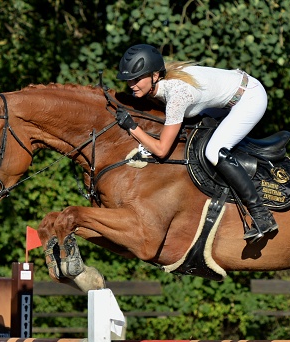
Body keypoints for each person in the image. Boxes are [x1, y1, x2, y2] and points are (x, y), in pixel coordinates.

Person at [114, 43, 277, 241]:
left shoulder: (177, 95)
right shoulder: (164, 82)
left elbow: (162, 150)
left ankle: (262, 215)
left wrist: (132, 127)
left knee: (213, 151)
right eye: (128, 79)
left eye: (137, 79)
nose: (132, 84)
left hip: (249, 98)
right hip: (228, 97)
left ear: (155, 76)